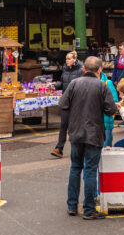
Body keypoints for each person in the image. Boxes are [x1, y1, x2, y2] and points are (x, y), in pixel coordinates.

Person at [60, 56, 115, 219]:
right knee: (90, 170)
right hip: (94, 133)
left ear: (84, 69)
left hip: (76, 132)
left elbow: (63, 104)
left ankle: (72, 206)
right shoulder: (102, 86)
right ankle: (89, 209)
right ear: (99, 71)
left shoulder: (74, 84)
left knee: (75, 168)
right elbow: (111, 110)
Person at [50, 50, 83, 157]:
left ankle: (79, 149)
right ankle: (59, 148)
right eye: (66, 59)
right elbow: (63, 82)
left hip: (76, 102)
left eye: (69, 59)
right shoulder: (65, 69)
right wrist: (56, 85)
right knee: (63, 125)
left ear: (74, 60)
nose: (67, 61)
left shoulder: (81, 70)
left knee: (76, 126)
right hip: (66, 100)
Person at [100, 69, 119, 148]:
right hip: (92, 124)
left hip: (106, 122)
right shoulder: (86, 83)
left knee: (106, 150)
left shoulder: (108, 83)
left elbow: (114, 101)